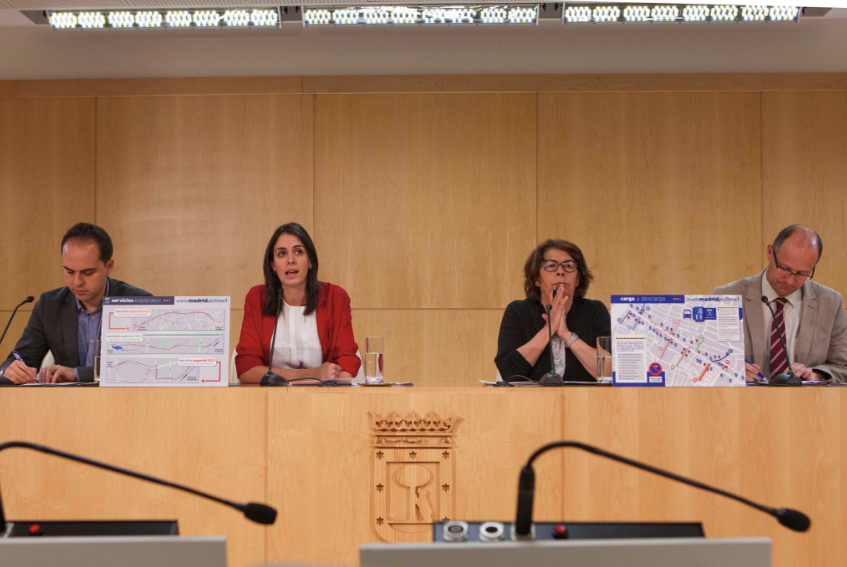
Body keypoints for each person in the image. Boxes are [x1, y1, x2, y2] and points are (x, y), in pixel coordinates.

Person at [0, 223, 152, 385]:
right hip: (66, 405)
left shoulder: (138, 303)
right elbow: (20, 358)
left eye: (88, 273)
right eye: (69, 271)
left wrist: (78, 373)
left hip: (125, 402)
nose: (77, 282)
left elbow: (144, 364)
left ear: (108, 266)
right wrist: (9, 370)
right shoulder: (50, 305)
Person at [713, 225, 847, 383]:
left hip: (806, 403)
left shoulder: (830, 303)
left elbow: (842, 366)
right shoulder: (726, 297)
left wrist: (816, 374)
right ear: (770, 252)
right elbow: (705, 360)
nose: (790, 280)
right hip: (743, 402)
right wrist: (730, 369)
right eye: (784, 268)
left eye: (802, 274)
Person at [235, 222, 360, 383]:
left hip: (323, 399)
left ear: (310, 261)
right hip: (271, 400)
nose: (291, 260)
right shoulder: (257, 298)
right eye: (281, 254)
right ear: (273, 265)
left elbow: (347, 364)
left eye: (298, 252)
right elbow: (246, 369)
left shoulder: (335, 298)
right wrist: (311, 374)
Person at [495, 239, 611, 382]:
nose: (561, 271)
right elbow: (507, 372)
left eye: (569, 266)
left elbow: (610, 373)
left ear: (577, 279)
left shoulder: (594, 311)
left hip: (585, 400)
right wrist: (548, 329)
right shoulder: (518, 311)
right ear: (537, 278)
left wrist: (566, 335)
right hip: (529, 402)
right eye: (551, 265)